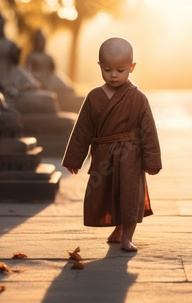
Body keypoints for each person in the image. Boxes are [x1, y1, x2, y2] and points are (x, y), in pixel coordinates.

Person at [62, 37, 162, 252]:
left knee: (130, 195)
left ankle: (127, 237)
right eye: (107, 69)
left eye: (120, 69)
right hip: (104, 155)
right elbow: (82, 130)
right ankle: (117, 230)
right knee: (110, 194)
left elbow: (149, 131)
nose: (114, 75)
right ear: (99, 66)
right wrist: (74, 158)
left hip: (130, 156)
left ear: (132, 67)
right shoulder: (94, 97)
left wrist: (152, 160)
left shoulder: (138, 98)